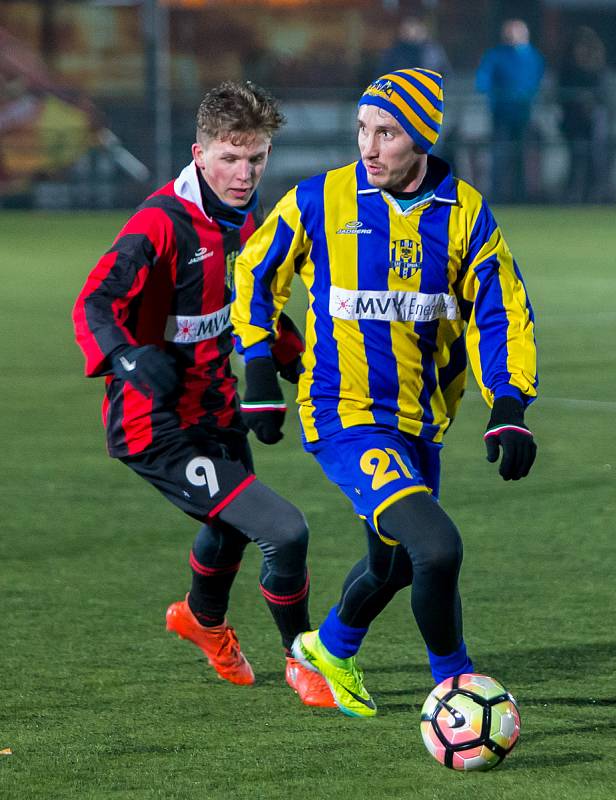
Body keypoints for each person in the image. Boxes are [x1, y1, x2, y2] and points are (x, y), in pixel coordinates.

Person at [231, 68, 537, 718]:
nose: (369, 147)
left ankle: (330, 647)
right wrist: (258, 365)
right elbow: (255, 269)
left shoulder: (466, 215)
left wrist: (508, 404)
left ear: (422, 138)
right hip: (341, 415)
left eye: (387, 133)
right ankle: (456, 687)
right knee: (436, 546)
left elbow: (501, 312)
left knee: (396, 565)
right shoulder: (321, 199)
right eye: (362, 129)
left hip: (419, 422)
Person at [72, 81, 334, 708]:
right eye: (230, 158)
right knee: (285, 530)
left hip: (216, 411)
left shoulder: (242, 218)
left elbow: (251, 304)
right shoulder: (159, 225)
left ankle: (201, 620)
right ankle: (307, 661)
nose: (244, 174)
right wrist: (129, 358)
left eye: (257, 159)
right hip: (154, 427)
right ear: (199, 153)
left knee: (232, 527)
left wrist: (296, 362)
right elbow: (94, 303)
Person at [475, 19, 545, 202]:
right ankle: (499, 193)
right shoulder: (496, 56)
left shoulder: (533, 56)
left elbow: (537, 81)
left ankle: (521, 193)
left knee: (522, 154)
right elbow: (483, 80)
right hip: (501, 113)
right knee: (500, 154)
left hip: (523, 113)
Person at [558, 26, 609, 203]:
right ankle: (575, 195)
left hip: (593, 119)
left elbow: (602, 92)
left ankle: (596, 195)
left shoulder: (596, 66)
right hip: (574, 120)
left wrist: (590, 103)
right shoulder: (568, 67)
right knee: (576, 158)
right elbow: (561, 94)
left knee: (595, 158)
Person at [378, 16, 451, 77]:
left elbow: (444, 73)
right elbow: (384, 73)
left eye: (414, 28)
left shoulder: (432, 49)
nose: (410, 32)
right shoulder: (395, 51)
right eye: (406, 29)